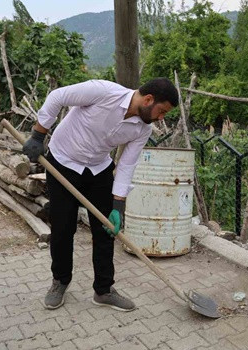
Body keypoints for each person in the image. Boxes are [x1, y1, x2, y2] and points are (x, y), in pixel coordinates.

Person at [22, 78, 178, 311]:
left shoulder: (142, 129)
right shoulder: (103, 92)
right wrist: (38, 134)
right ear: (148, 100)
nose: (161, 118)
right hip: (63, 161)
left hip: (98, 168)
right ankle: (60, 281)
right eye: (162, 111)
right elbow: (57, 97)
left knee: (106, 230)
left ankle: (103, 290)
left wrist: (118, 205)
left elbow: (126, 165)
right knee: (63, 228)